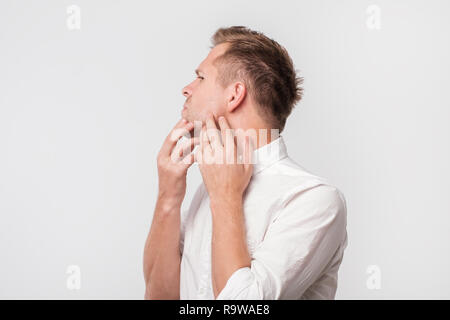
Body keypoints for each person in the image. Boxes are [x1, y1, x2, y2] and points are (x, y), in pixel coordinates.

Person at [143, 26, 348, 300]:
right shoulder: (207, 189)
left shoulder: (313, 199)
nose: (186, 89)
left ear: (234, 95)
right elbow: (159, 297)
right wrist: (168, 195)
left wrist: (226, 196)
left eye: (201, 77)